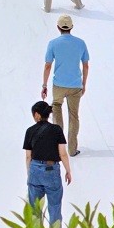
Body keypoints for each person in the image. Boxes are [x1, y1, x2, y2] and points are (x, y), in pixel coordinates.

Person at [41, 15, 90, 156]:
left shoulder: (53, 43)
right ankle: (72, 149)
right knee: (74, 116)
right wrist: (84, 84)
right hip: (75, 85)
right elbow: (86, 65)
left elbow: (47, 66)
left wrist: (44, 85)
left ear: (58, 27)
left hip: (58, 84)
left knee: (56, 106)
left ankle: (58, 145)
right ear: (71, 27)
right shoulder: (81, 43)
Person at [23, 100, 72, 226]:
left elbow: (28, 157)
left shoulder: (30, 131)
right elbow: (63, 153)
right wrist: (68, 170)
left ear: (37, 115)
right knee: (55, 207)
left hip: (35, 170)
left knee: (35, 209)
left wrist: (30, 174)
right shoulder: (56, 130)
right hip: (51, 170)